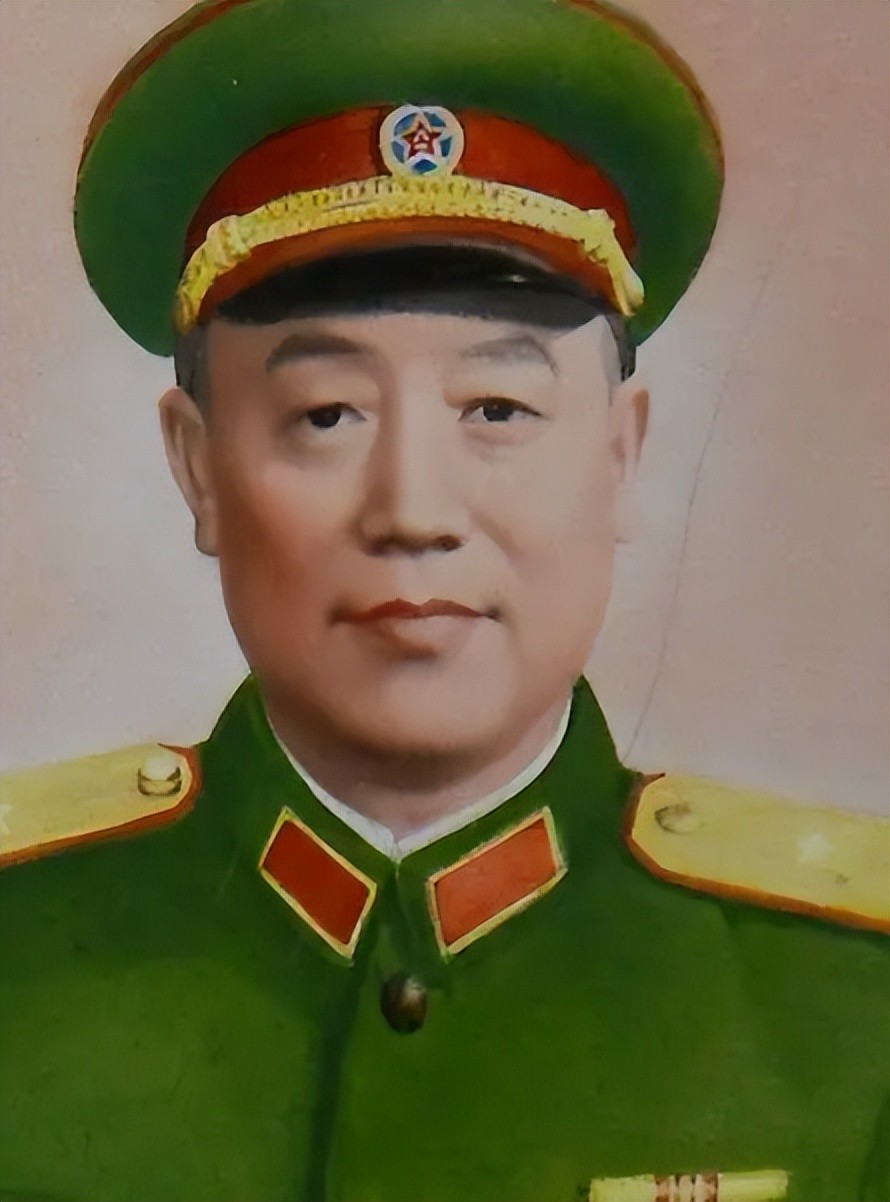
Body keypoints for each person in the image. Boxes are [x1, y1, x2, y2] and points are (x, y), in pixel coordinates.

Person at [1, 2, 887, 1200]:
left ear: (619, 455)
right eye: (326, 415)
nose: (413, 509)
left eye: (496, 410)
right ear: (198, 468)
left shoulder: (849, 1001)